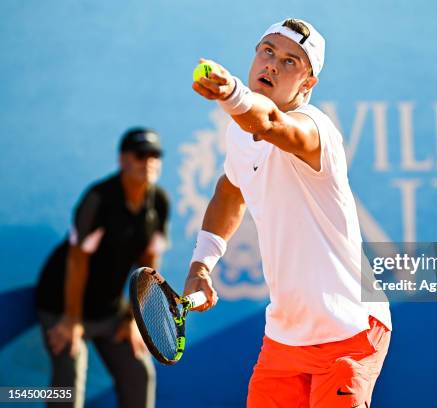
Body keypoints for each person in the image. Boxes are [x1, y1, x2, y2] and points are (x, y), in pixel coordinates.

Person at [185, 18, 392, 407]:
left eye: (290, 61)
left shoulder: (316, 130)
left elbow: (269, 122)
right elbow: (231, 190)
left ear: (307, 84)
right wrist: (202, 263)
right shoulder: (238, 133)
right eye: (267, 51)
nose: (273, 65)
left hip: (349, 331)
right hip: (285, 336)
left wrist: (231, 93)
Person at [35, 128, 170, 408]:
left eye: (155, 155)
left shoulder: (159, 202)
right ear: (123, 160)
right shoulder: (98, 199)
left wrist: (134, 320)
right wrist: (72, 319)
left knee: (138, 370)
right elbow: (77, 259)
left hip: (109, 308)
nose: (148, 161)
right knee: (69, 375)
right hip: (61, 304)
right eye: (140, 154)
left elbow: (148, 265)